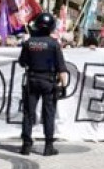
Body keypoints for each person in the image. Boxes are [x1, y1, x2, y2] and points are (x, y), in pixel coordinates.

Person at [18, 12, 68, 156]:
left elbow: (22, 62)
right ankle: (48, 146)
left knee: (28, 113)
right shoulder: (54, 44)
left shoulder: (29, 43)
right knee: (48, 113)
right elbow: (61, 68)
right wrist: (64, 86)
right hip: (49, 82)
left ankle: (26, 145)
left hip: (32, 80)